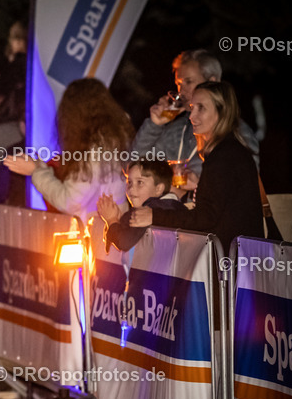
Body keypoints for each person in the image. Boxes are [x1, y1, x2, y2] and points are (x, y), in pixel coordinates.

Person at [129, 81, 262, 251]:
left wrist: (155, 216)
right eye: (192, 108)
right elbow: (221, 206)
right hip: (234, 258)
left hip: (230, 264)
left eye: (201, 108)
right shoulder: (226, 151)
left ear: (222, 112)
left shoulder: (225, 156)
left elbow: (206, 217)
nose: (192, 116)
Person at [131, 49, 259, 195]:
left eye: (189, 82)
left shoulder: (237, 132)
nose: (181, 90)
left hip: (209, 215)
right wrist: (154, 125)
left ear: (212, 82)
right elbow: (134, 168)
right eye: (179, 83)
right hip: (174, 214)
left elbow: (244, 187)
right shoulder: (177, 130)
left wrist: (199, 185)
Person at [3, 78, 130, 220]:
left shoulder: (93, 151)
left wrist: (35, 172)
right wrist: (40, 167)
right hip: (116, 228)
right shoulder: (118, 138)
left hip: (100, 234)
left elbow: (70, 201)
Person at [97, 160, 186, 252]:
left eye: (140, 182)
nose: (131, 188)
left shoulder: (152, 210)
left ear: (158, 189)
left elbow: (124, 242)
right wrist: (119, 219)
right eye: (129, 182)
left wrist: (111, 220)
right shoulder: (165, 205)